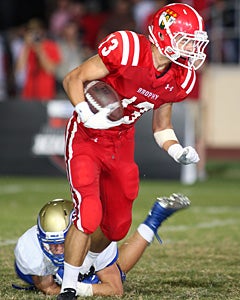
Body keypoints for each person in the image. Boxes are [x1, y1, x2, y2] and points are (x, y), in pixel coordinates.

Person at [59, 3, 209, 299]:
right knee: (89, 212)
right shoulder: (127, 48)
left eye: (195, 41)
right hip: (87, 136)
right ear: (164, 35)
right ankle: (68, 284)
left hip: (121, 142)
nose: (193, 47)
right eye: (187, 39)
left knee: (116, 227)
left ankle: (86, 265)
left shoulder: (180, 77)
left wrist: (176, 150)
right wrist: (85, 113)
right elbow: (72, 79)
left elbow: (161, 127)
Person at [14, 194, 190, 296]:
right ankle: (155, 218)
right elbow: (49, 288)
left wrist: (76, 287)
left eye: (62, 242)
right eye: (52, 245)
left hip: (85, 248)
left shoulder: (95, 238)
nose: (58, 250)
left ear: (76, 233)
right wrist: (85, 286)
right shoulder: (30, 251)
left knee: (114, 273)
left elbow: (115, 289)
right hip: (34, 272)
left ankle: (155, 218)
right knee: (90, 277)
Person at [14, 18, 61, 101]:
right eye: (32, 31)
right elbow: (19, 68)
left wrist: (40, 50)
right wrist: (26, 46)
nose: (35, 34)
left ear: (43, 31)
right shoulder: (27, 47)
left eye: (37, 31)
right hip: (28, 93)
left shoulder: (51, 46)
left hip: (46, 93)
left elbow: (50, 69)